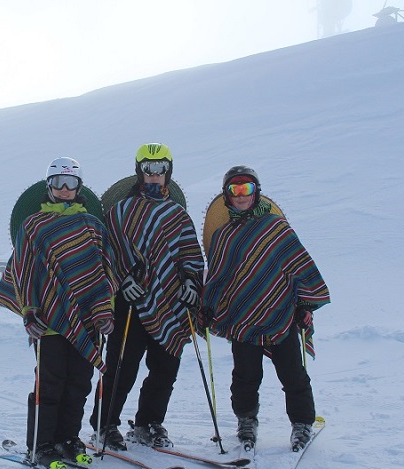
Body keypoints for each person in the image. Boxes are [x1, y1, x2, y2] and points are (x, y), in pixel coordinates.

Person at [200, 165, 330, 451]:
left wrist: (305, 302)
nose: (242, 195)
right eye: (235, 189)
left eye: (247, 188)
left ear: (256, 192)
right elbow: (219, 277)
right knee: (245, 376)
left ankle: (302, 423)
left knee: (293, 373)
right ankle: (246, 421)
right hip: (241, 317)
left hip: (280, 314)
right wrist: (208, 306)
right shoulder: (223, 236)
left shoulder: (276, 228)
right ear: (227, 195)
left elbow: (299, 264)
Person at [0, 157, 115, 468]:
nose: (65, 189)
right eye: (59, 184)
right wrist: (29, 311)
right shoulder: (34, 227)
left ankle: (68, 438)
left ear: (79, 188)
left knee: (79, 382)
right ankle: (40, 444)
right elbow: (23, 271)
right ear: (49, 187)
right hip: (49, 320)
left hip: (88, 319)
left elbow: (103, 272)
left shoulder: (92, 226)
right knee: (50, 383)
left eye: (71, 184)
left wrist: (104, 310)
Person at [90, 143, 205, 450]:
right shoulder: (120, 212)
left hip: (169, 303)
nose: (155, 175)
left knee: (165, 367)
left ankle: (149, 423)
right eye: (149, 169)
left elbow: (191, 255)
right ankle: (104, 424)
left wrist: (192, 282)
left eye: (161, 169)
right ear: (139, 171)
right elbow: (105, 253)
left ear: (169, 173)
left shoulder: (177, 215)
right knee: (120, 367)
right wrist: (122, 280)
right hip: (129, 302)